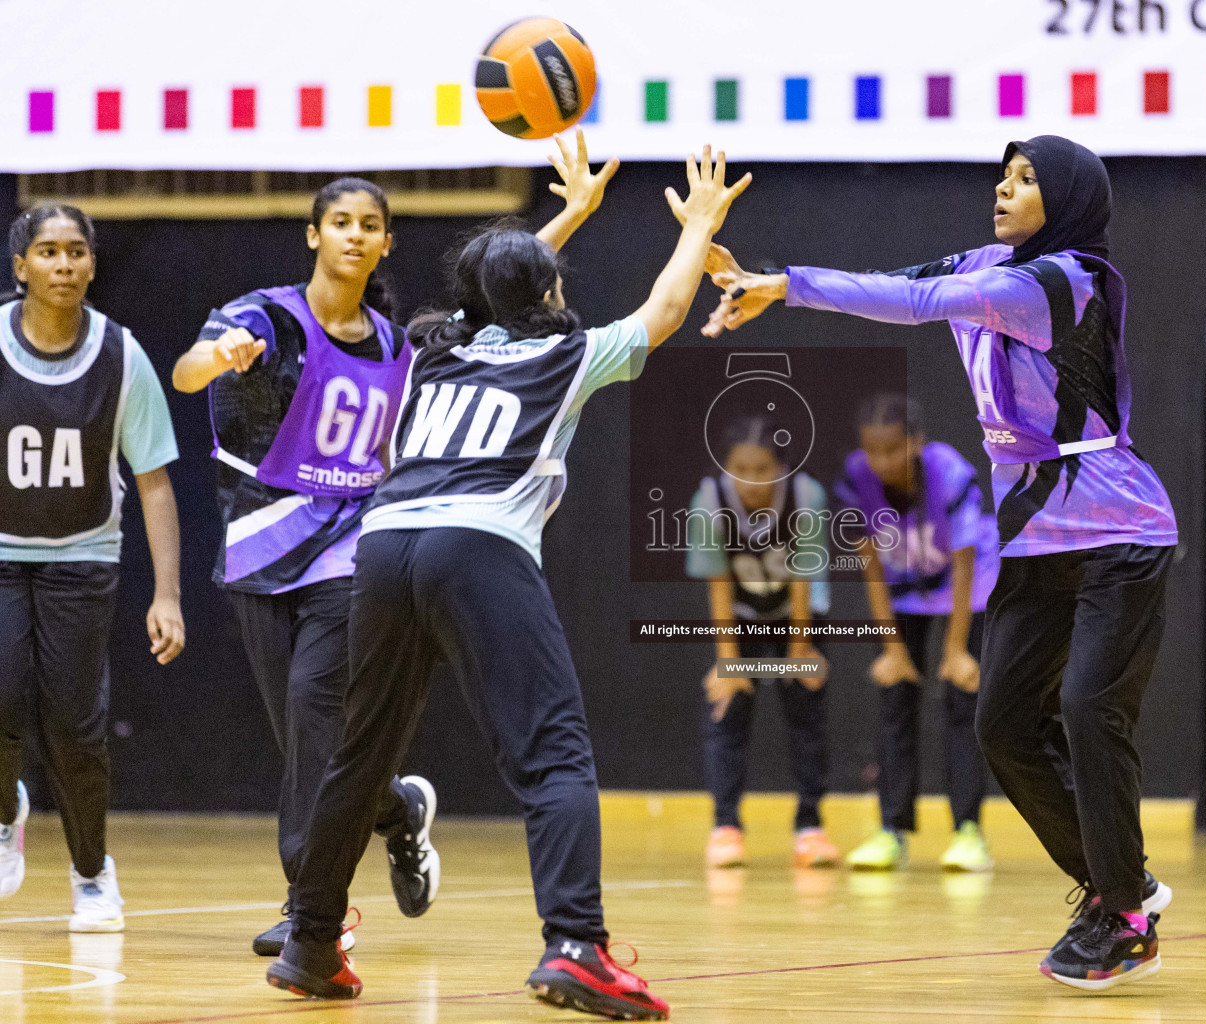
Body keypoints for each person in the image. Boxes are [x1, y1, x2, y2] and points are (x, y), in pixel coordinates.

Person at [265, 136, 747, 1022]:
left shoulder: (431, 352)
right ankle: (577, 946)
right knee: (553, 751)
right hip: (477, 543)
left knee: (359, 756)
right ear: (548, 296)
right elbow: (668, 306)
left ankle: (310, 941)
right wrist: (703, 223)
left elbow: (495, 289)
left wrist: (561, 223)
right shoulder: (569, 356)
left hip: (383, 545)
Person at [698, 136, 1176, 991]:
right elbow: (906, 287)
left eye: (1026, 179)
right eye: (1004, 172)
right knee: (1001, 724)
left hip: (1118, 530)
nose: (1003, 186)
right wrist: (777, 284)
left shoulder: (1058, 279)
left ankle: (1124, 917)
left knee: (1088, 711)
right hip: (1036, 536)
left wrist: (791, 284)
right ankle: (1122, 885)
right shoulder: (994, 262)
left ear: (1066, 201)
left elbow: (921, 304)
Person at [171, 178, 438, 956]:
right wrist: (217, 358)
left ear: (386, 243)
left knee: (313, 706)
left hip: (352, 545)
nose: (354, 235)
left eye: (370, 226)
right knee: (306, 740)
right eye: (340, 222)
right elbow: (189, 370)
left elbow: (494, 304)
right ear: (314, 234)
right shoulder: (266, 314)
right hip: (262, 538)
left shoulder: (397, 345)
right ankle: (394, 809)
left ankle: (309, 904)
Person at [0, 205, 185, 932]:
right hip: (2, 555)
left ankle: (90, 872)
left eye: (76, 251)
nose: (64, 265)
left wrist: (167, 593)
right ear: (21, 268)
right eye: (47, 251)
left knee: (76, 729)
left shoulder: (121, 354)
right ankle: (6, 813)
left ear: (93, 264)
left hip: (83, 556)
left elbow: (155, 479)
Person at [835, 393, 998, 873]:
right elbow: (870, 565)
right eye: (873, 451)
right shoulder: (858, 477)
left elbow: (966, 564)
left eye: (892, 450)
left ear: (916, 443)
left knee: (962, 698)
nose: (881, 462)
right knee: (895, 698)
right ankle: (891, 831)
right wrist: (892, 648)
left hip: (968, 588)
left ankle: (968, 832)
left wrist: (955, 650)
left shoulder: (949, 473)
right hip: (906, 590)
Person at [686, 416, 839, 871]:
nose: (750, 480)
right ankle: (725, 826)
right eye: (740, 468)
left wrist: (800, 653)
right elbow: (717, 584)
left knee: (806, 710)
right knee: (727, 709)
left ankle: (810, 827)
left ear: (781, 468)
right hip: (741, 614)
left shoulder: (805, 498)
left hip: (799, 614)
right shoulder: (709, 503)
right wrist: (728, 664)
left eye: (761, 469)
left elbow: (802, 579)